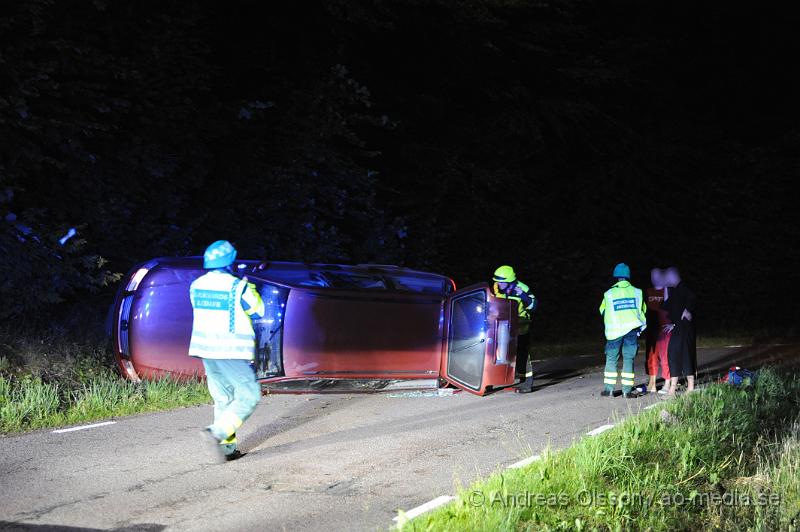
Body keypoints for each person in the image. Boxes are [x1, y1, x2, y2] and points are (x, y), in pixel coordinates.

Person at [189, 240, 265, 462]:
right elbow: (258, 310)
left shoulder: (195, 285)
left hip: (206, 351)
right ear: (231, 262)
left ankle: (226, 449)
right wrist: (250, 287)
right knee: (249, 396)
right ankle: (217, 433)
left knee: (224, 398)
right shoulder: (237, 286)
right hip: (230, 351)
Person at [599, 263, 647, 398]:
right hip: (631, 331)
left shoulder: (608, 294)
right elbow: (643, 310)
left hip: (614, 332)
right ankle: (626, 391)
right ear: (628, 276)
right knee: (628, 359)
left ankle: (608, 390)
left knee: (611, 358)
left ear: (616, 276)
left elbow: (602, 310)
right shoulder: (638, 292)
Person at [492, 265, 537, 393]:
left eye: (501, 282)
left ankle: (527, 382)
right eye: (497, 281)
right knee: (500, 351)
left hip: (521, 323)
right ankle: (497, 378)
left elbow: (534, 306)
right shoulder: (496, 288)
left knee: (522, 353)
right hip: (503, 323)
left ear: (510, 280)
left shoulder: (522, 288)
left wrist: (523, 295)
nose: (498, 284)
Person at [661, 267, 697, 397]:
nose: (666, 279)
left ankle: (690, 387)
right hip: (678, 328)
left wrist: (688, 309)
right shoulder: (675, 291)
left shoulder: (685, 288)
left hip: (686, 330)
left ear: (673, 276)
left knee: (685, 355)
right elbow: (666, 305)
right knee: (673, 354)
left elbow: (693, 297)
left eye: (667, 277)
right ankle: (672, 390)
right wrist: (674, 324)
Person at [645, 268, 672, 393]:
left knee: (664, 356)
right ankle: (652, 383)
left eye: (657, 275)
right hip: (651, 327)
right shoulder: (648, 291)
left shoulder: (666, 290)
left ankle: (668, 381)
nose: (654, 278)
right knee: (651, 355)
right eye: (652, 275)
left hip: (663, 328)